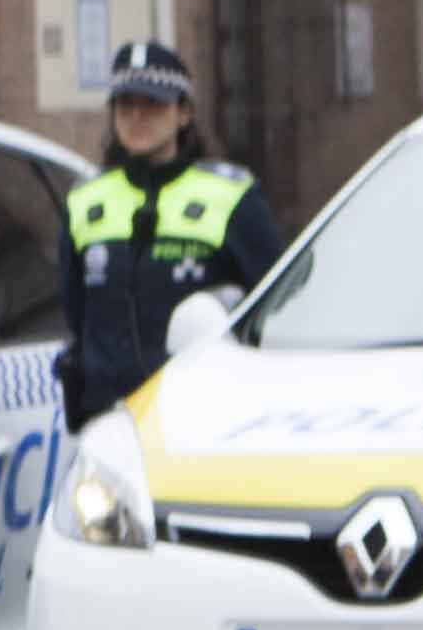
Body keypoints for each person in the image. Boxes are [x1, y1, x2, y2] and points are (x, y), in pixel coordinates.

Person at [56, 40, 287, 431]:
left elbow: (275, 302)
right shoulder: (85, 199)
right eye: (126, 105)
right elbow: (76, 313)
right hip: (110, 421)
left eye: (153, 104)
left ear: (184, 113)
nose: (137, 116)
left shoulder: (230, 195)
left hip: (202, 417)